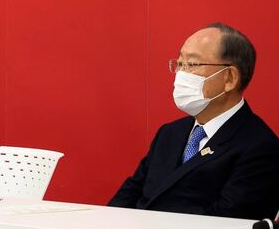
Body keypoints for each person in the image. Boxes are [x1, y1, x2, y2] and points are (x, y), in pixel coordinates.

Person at [109, 23, 279, 219]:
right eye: (179, 64)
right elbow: (130, 194)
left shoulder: (260, 147)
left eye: (192, 64)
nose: (180, 74)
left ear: (229, 78)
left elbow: (225, 219)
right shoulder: (170, 133)